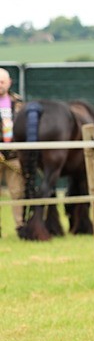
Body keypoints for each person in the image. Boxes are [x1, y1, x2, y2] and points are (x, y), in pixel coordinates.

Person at [0, 68, 24, 234]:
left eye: (2, 82)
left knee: (17, 192)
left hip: (14, 155)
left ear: (9, 83)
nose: (0, 85)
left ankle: (20, 226)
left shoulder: (18, 103)